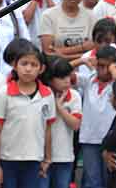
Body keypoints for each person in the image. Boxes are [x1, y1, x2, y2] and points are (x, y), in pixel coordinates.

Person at [0, 40, 54, 188]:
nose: (28, 69)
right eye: (24, 64)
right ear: (15, 66)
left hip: (34, 158)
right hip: (8, 158)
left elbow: (48, 128)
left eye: (33, 65)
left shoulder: (47, 94)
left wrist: (47, 158)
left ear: (41, 69)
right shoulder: (3, 92)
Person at [76, 45, 116, 188]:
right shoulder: (89, 80)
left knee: (111, 181)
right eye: (99, 65)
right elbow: (60, 71)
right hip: (90, 138)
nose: (101, 69)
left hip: (112, 141)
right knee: (92, 182)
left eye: (106, 66)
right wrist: (81, 61)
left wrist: (114, 72)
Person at [43, 58, 82, 188]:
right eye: (61, 77)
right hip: (41, 156)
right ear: (51, 79)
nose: (67, 81)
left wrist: (59, 107)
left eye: (68, 76)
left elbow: (76, 125)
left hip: (64, 156)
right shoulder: (42, 95)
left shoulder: (75, 95)